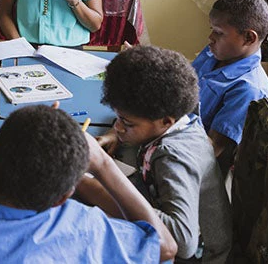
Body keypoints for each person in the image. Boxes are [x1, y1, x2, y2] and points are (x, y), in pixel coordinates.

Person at [0, 104, 177, 263]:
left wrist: (8, 148)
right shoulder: (88, 227)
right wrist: (102, 164)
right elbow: (166, 248)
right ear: (64, 197)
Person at [97, 46, 232, 263]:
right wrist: (116, 134)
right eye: (118, 118)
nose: (119, 127)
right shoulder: (182, 116)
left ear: (166, 121)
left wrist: (107, 184)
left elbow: (184, 242)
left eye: (127, 123)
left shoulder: (172, 157)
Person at [192, 0, 268, 170]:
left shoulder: (249, 90)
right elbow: (182, 81)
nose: (211, 38)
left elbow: (210, 149)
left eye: (219, 33)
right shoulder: (213, 54)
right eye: (212, 29)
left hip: (197, 166)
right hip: (172, 135)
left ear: (249, 38)